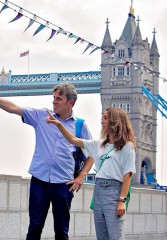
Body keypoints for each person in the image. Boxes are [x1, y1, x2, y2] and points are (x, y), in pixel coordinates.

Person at [0, 82, 94, 240]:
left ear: (70, 102)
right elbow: (14, 108)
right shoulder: (41, 116)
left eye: (59, 99)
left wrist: (82, 176)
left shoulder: (80, 125)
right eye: (54, 98)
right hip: (40, 180)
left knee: (61, 231)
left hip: (64, 184)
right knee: (35, 227)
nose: (54, 101)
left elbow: (92, 153)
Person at [46, 107, 136, 240]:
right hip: (98, 190)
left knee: (115, 236)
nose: (102, 121)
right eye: (102, 118)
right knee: (102, 237)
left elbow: (128, 174)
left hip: (114, 192)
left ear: (115, 121)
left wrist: (122, 200)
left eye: (105, 118)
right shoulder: (98, 144)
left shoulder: (127, 146)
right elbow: (73, 140)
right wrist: (59, 125)